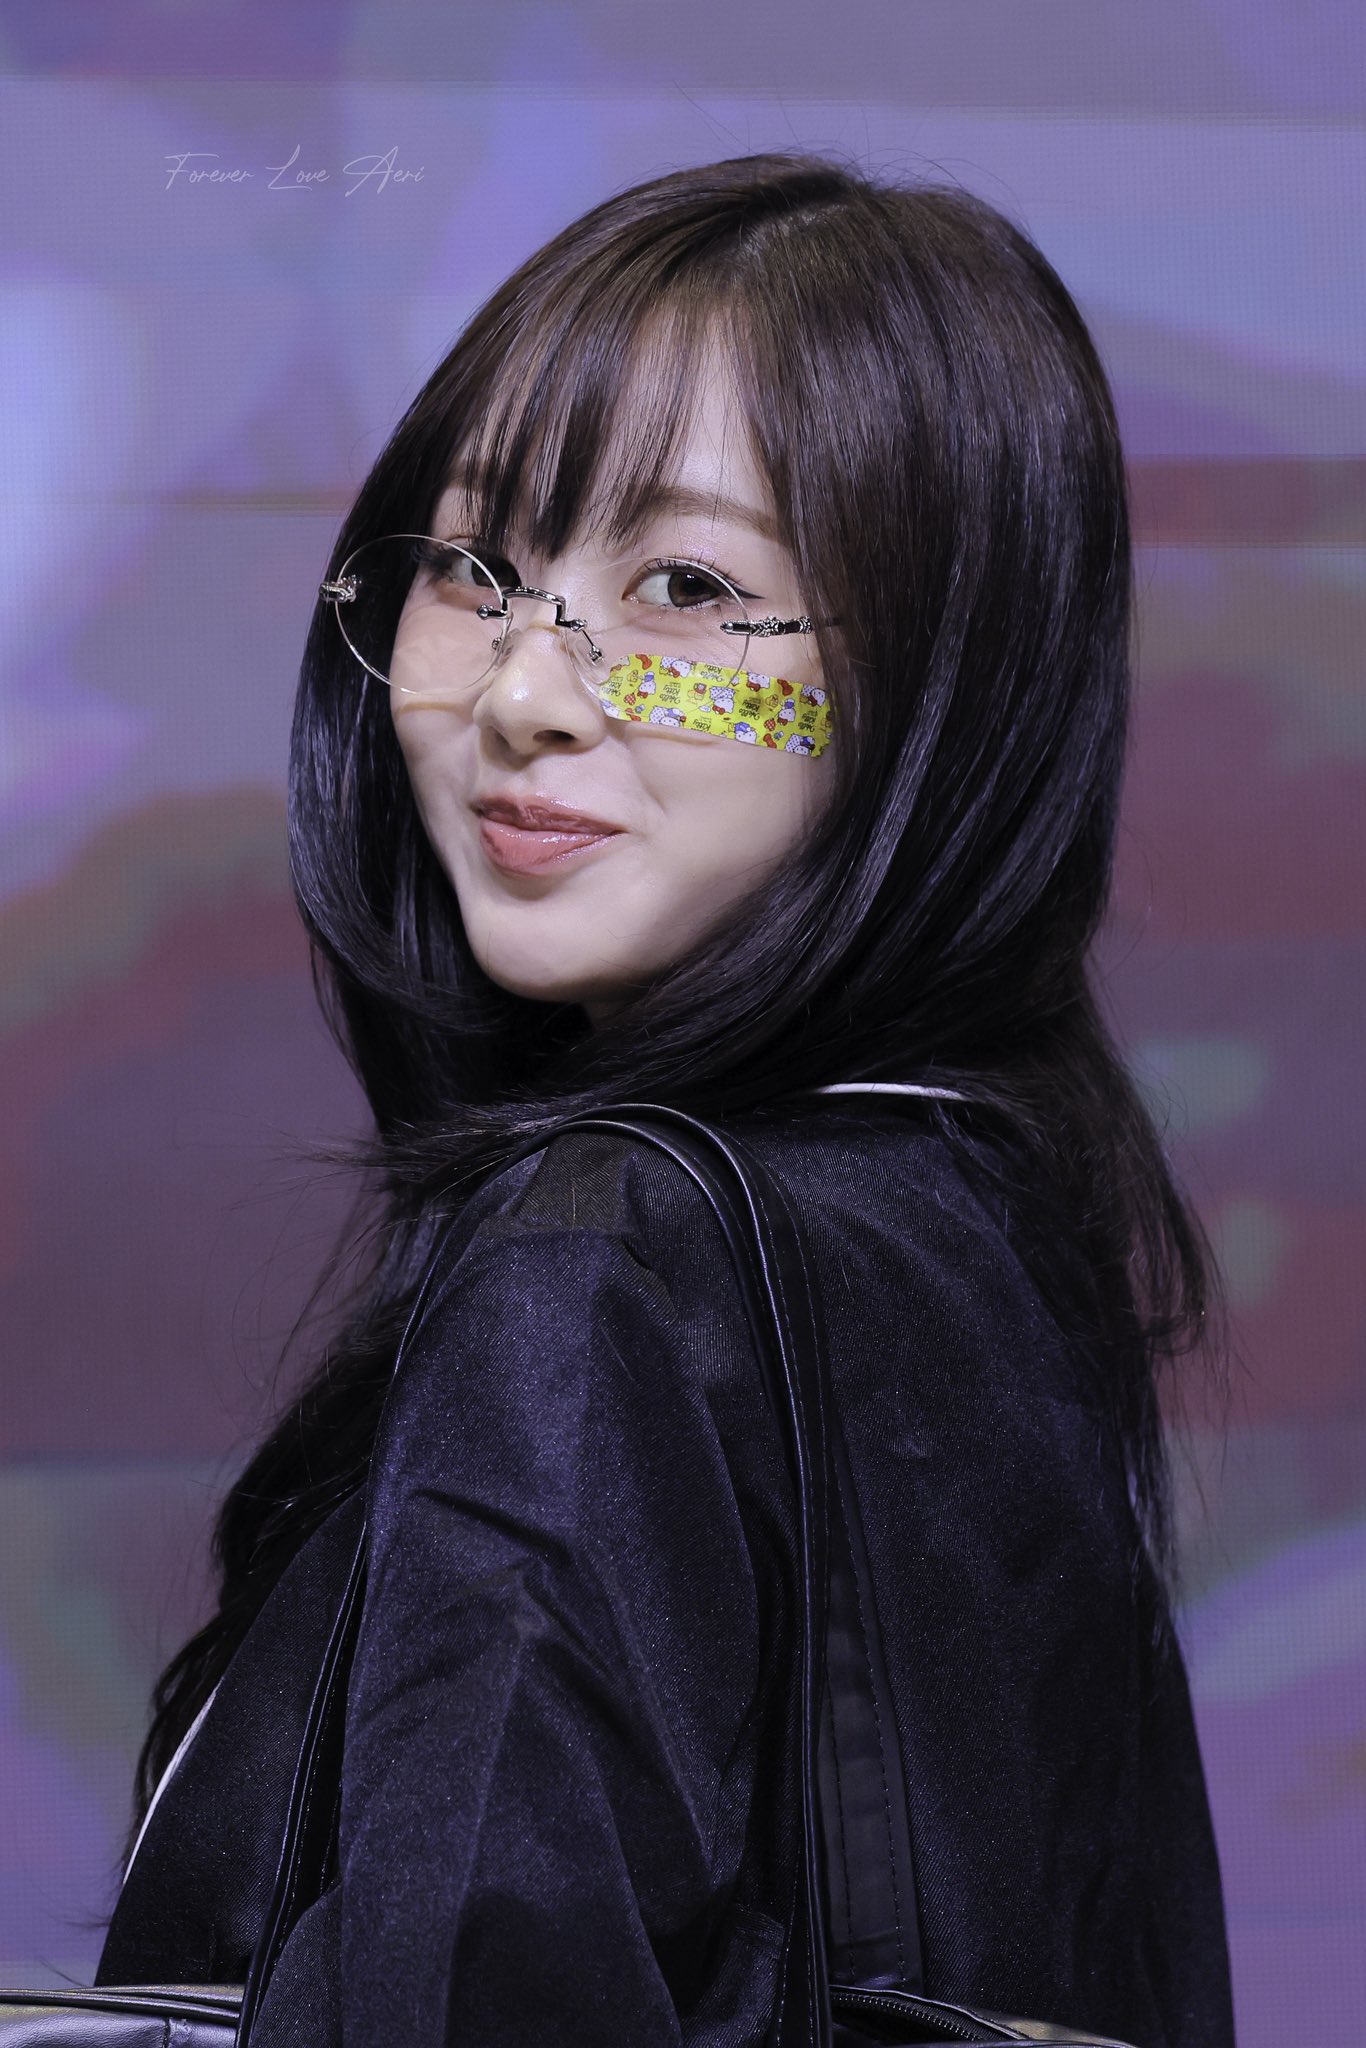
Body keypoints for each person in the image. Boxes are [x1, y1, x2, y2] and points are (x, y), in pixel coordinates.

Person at [94, 153, 1236, 2046]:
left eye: (689, 587)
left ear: (946, 675)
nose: (525, 693)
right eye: (472, 568)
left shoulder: (606, 1256)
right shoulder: (988, 1219)